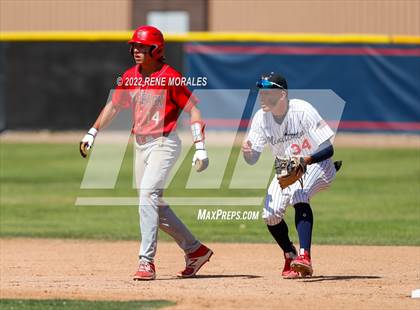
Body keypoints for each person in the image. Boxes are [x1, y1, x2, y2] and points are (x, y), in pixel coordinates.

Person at [79, 25, 213, 281]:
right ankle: (195, 250)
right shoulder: (130, 76)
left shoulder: (170, 77)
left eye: (142, 46)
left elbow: (194, 110)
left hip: (165, 142)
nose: (136, 50)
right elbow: (114, 105)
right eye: (134, 46)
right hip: (140, 145)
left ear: (156, 49)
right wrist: (92, 132)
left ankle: (146, 261)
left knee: (148, 195)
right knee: (154, 204)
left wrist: (200, 146)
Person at [242, 72, 340, 278]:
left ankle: (305, 256)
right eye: (261, 91)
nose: (262, 96)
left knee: (298, 193)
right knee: (270, 215)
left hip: (318, 164)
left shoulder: (302, 110)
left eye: (267, 91)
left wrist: (305, 161)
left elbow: (328, 149)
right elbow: (253, 159)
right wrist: (248, 153)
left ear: (282, 94)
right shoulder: (261, 118)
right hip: (286, 168)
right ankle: (290, 254)